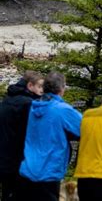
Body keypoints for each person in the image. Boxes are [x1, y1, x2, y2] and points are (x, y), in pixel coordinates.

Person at [18, 72, 82, 201]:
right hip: (49, 170)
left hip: (28, 168)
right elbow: (84, 129)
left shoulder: (33, 107)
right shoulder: (62, 110)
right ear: (61, 89)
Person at [0, 71, 44, 201]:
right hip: (17, 159)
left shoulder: (7, 100)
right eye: (40, 86)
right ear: (30, 85)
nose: (42, 90)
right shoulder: (28, 104)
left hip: (4, 156)